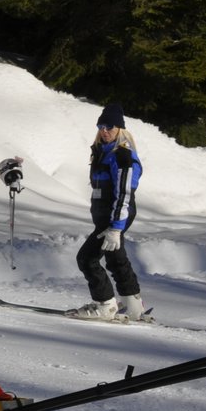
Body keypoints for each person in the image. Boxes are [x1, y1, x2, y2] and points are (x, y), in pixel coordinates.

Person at [70, 104, 145, 320]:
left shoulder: (123, 156)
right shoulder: (102, 152)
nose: (104, 131)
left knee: (86, 258)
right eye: (101, 126)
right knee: (115, 258)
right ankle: (133, 305)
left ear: (120, 129)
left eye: (109, 127)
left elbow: (124, 195)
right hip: (107, 217)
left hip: (116, 216)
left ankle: (105, 306)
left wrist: (115, 227)